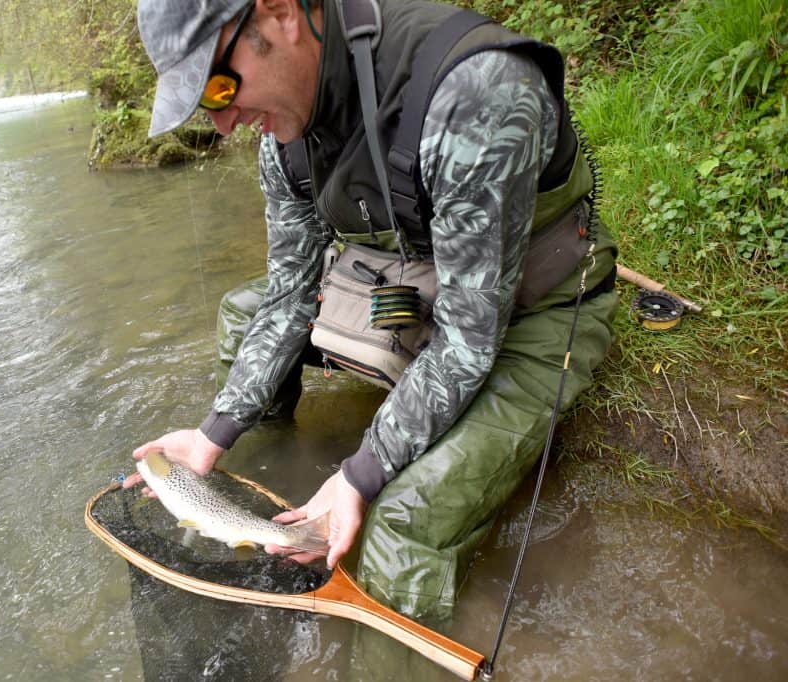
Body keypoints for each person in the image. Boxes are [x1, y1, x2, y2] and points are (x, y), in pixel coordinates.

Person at [124, 0, 618, 625]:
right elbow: (288, 292)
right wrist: (215, 433)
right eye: (204, 104)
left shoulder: (473, 92)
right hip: (417, 284)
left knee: (395, 530)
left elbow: (468, 341)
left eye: (221, 85)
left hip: (529, 310)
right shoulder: (282, 136)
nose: (224, 122)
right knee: (240, 314)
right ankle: (278, 483)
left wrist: (361, 474)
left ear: (279, 13)